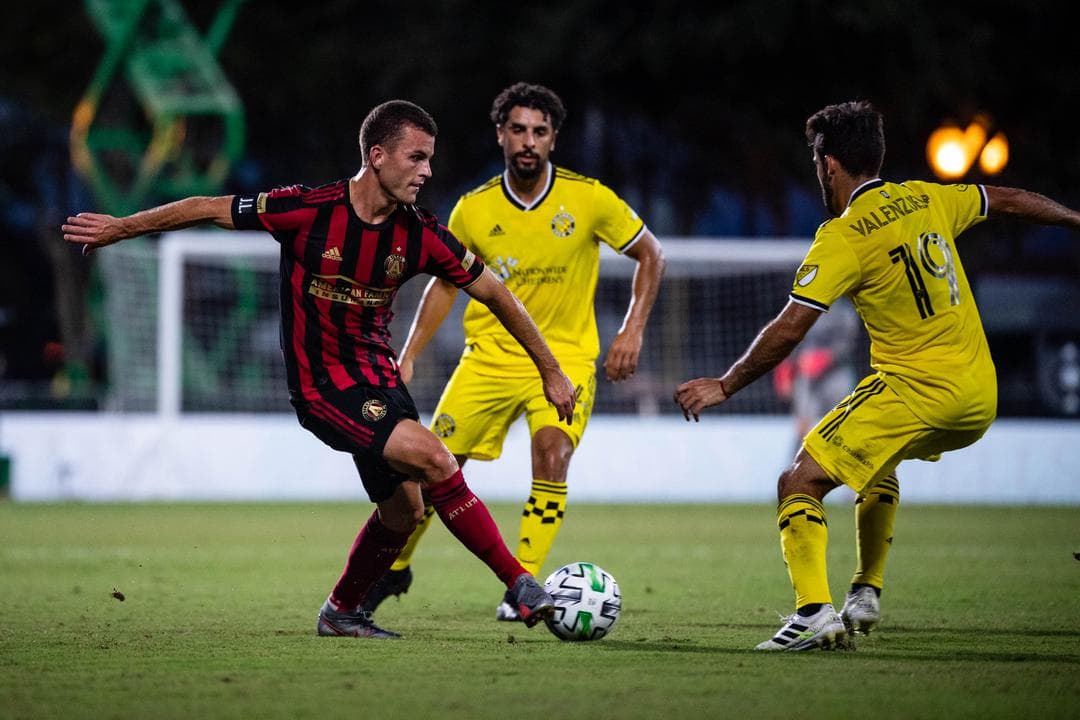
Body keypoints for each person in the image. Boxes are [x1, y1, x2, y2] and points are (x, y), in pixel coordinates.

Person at [61, 99, 577, 639]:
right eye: (416, 157)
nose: (427, 171)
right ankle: (520, 583)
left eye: (430, 159)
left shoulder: (420, 233)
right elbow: (207, 207)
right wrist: (123, 228)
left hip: (380, 384)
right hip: (322, 388)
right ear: (377, 156)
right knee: (436, 458)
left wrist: (551, 370)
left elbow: (496, 293)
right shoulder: (307, 209)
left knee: (404, 513)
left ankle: (341, 612)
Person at [674, 100, 1080, 651]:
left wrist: (726, 384)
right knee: (876, 463)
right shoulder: (927, 198)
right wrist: (1074, 219)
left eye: (816, 162)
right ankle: (865, 590)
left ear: (829, 164)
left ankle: (813, 613)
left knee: (798, 481)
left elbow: (790, 329)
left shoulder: (843, 236)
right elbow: (1006, 198)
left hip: (918, 389)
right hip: (979, 396)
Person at [362, 82, 664, 622]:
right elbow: (444, 285)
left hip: (565, 358)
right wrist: (408, 354)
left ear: (553, 139)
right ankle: (395, 568)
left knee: (552, 453)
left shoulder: (590, 198)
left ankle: (522, 586)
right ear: (500, 134)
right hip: (488, 360)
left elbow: (651, 253)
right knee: (432, 468)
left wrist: (632, 330)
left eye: (539, 132)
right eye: (518, 130)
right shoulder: (474, 209)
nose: (529, 141)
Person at [772, 296, 861, 450]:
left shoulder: (844, 308)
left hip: (837, 373)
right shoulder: (801, 303)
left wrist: (827, 357)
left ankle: (844, 463)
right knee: (803, 425)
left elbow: (848, 341)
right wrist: (786, 365)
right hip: (806, 374)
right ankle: (798, 462)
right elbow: (790, 337)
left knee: (843, 424)